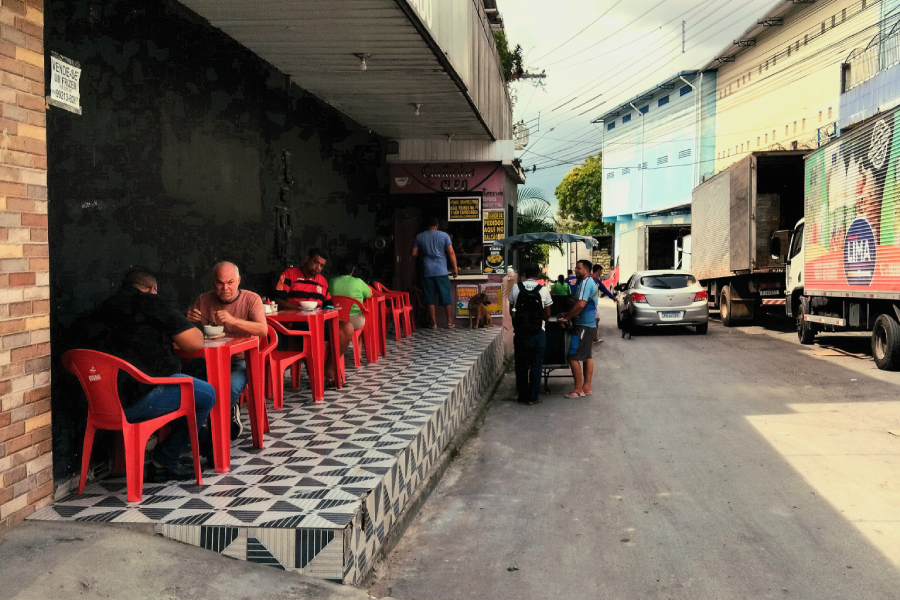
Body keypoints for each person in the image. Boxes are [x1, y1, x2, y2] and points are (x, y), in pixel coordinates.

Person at [88, 267, 215, 481]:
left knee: (181, 398)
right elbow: (193, 343)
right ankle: (165, 459)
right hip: (141, 397)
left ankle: (209, 443)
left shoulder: (103, 307)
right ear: (152, 289)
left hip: (101, 402)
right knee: (205, 394)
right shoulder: (151, 303)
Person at [186, 262, 267, 439]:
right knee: (186, 383)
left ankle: (217, 428)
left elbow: (263, 330)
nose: (225, 288)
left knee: (227, 388)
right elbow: (189, 327)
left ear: (238, 280)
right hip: (211, 359)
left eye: (230, 282)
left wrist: (233, 320)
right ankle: (197, 430)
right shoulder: (204, 299)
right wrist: (188, 318)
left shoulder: (251, 299)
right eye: (220, 283)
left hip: (243, 359)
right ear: (213, 282)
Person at [273, 248, 354, 386]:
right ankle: (316, 376)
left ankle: (328, 371)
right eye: (315, 262)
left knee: (347, 327)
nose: (318, 267)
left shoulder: (322, 281)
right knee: (312, 333)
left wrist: (329, 309)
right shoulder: (289, 274)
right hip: (296, 323)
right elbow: (277, 299)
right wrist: (297, 309)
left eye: (321, 265)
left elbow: (328, 304)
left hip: (319, 322)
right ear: (307, 259)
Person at [509, 263, 552, 405]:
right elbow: (547, 313)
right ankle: (533, 398)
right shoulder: (543, 290)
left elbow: (512, 308)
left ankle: (522, 396)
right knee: (536, 366)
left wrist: (519, 322)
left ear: (525, 275)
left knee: (521, 365)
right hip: (538, 333)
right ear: (538, 275)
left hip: (521, 333)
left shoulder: (516, 288)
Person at [560, 260, 599, 398]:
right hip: (589, 325)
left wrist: (566, 318)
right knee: (587, 356)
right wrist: (568, 314)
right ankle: (586, 387)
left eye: (578, 268)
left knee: (572, 355)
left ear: (586, 270)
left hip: (583, 326)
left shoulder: (585, 283)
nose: (576, 270)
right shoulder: (589, 282)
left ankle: (578, 389)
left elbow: (581, 305)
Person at [411, 216, 459, 328]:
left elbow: (413, 253)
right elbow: (451, 253)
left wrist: (423, 254)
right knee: (446, 296)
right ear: (437, 225)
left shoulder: (420, 236)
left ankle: (434, 323)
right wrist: (455, 268)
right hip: (442, 271)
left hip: (428, 271)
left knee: (429, 297)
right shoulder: (444, 236)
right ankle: (449, 322)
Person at [330, 259, 371, 332]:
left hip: (336, 319)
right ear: (353, 269)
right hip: (355, 321)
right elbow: (370, 295)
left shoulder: (332, 281)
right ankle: (359, 343)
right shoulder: (358, 281)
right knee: (367, 317)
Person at [591, 264, 616, 343]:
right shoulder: (591, 279)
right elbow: (604, 289)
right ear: (598, 270)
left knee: (596, 320)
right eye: (601, 270)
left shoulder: (596, 280)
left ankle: (594, 337)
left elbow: (604, 289)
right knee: (594, 320)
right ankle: (592, 337)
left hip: (593, 305)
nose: (601, 272)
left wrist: (612, 297)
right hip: (589, 304)